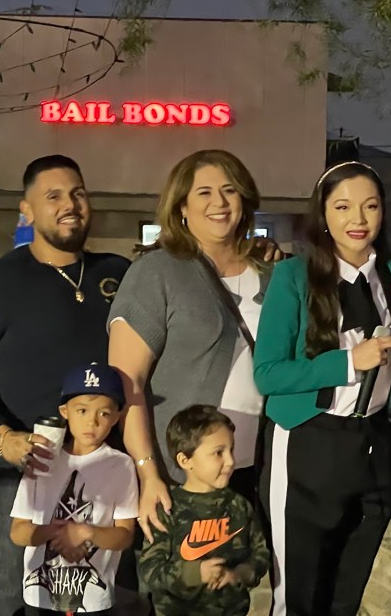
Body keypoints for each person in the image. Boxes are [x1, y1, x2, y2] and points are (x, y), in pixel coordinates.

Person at [0, 154, 132, 616]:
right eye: (54, 196)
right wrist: (1, 436)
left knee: (105, 592)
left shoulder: (119, 274)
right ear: (26, 211)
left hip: (106, 462)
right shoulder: (0, 282)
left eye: (78, 193)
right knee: (14, 592)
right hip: (27, 461)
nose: (70, 204)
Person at [254, 161, 391, 616]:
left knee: (347, 596)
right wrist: (347, 362)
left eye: (370, 206)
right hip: (308, 442)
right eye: (343, 207)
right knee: (299, 598)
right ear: (322, 214)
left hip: (377, 445)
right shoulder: (292, 276)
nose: (358, 219)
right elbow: (268, 374)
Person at [109, 149, 275, 540]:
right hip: (180, 475)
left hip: (258, 470)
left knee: (242, 575)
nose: (219, 202)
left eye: (229, 190)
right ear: (181, 206)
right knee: (183, 578)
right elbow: (127, 382)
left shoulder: (273, 275)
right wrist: (148, 472)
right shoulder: (156, 271)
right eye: (204, 192)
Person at [10, 362, 138, 616]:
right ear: (64, 411)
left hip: (92, 601)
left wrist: (87, 532)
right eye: (82, 410)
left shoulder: (121, 465)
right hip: (40, 597)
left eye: (104, 413)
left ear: (116, 417)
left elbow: (124, 536)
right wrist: (54, 532)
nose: (92, 421)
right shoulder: (42, 459)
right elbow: (18, 532)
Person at [139, 405, 269, 616]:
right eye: (218, 453)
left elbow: (260, 554)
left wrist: (240, 574)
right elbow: (150, 570)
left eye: (231, 450)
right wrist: (195, 573)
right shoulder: (168, 508)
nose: (230, 461)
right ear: (185, 460)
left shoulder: (239, 505)